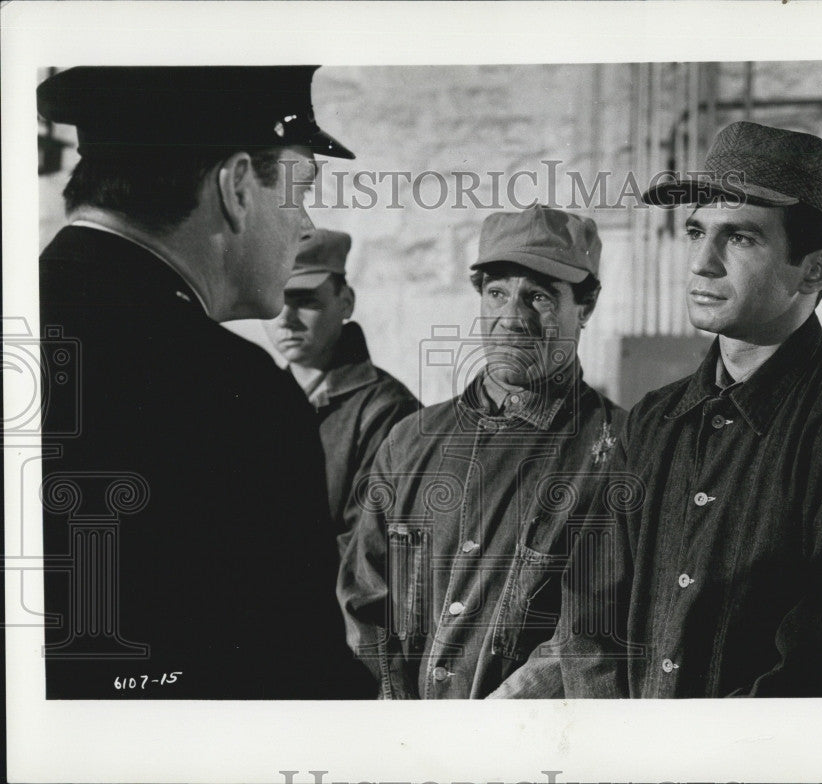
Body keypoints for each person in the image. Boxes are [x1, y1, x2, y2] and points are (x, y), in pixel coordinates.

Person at [501, 121, 822, 698]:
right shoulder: (653, 420)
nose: (701, 262)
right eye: (696, 232)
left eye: (739, 238)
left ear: (815, 269)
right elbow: (591, 616)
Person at [37, 66, 370, 698]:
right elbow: (296, 687)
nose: (303, 228)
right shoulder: (237, 397)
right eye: (298, 192)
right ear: (238, 184)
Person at [337, 205, 627, 698]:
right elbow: (365, 600)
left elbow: (596, 631)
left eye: (538, 296)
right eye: (497, 293)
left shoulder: (620, 450)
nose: (512, 317)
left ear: (586, 305)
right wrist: (394, 713)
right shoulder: (410, 440)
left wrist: (485, 731)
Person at [263, 229, 420, 555]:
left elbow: (365, 554)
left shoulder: (387, 410)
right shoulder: (258, 399)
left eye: (305, 301)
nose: (286, 319)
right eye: (275, 301)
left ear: (346, 302)